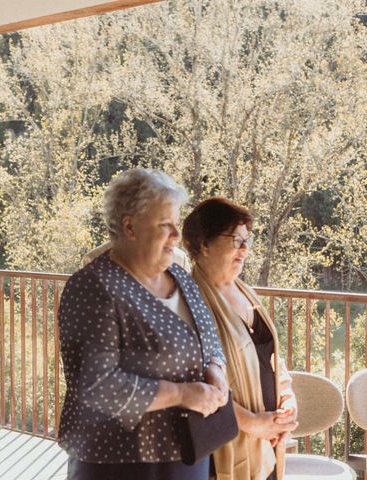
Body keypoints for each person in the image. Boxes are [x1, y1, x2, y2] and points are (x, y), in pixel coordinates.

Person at [58, 168, 229, 480]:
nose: (177, 236)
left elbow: (209, 337)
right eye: (166, 226)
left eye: (176, 225)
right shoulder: (94, 287)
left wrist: (216, 368)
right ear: (130, 226)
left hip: (189, 451)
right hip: (121, 463)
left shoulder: (179, 277)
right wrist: (183, 394)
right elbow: (97, 385)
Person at [182, 197, 297, 480]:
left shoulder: (246, 291)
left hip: (266, 447)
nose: (244, 249)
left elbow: (270, 360)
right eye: (236, 240)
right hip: (226, 451)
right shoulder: (189, 303)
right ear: (203, 245)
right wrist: (254, 424)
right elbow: (192, 383)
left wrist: (287, 401)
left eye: (247, 240)